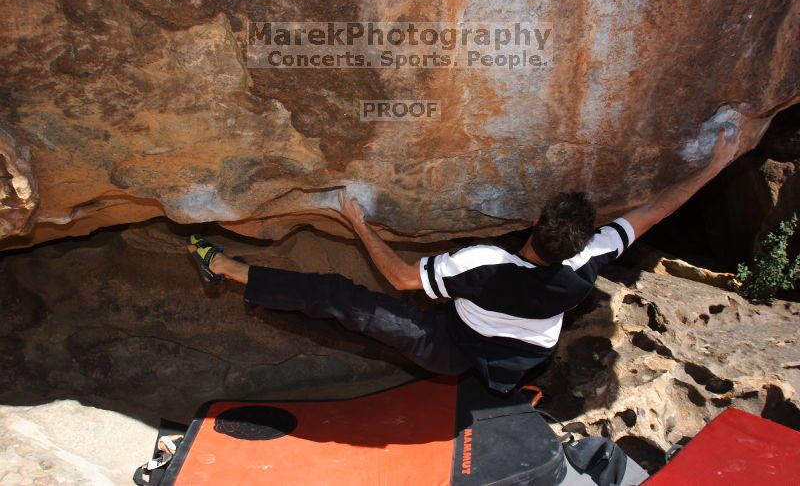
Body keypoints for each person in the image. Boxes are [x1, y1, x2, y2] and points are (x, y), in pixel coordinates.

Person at [187, 129, 740, 393]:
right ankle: (500, 392)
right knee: (361, 316)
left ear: (533, 224)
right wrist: (717, 163)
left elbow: (404, 276)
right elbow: (654, 211)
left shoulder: (481, 263)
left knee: (339, 298)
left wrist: (357, 223)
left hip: (447, 346)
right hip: (516, 364)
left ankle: (232, 269)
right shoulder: (588, 263)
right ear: (581, 242)